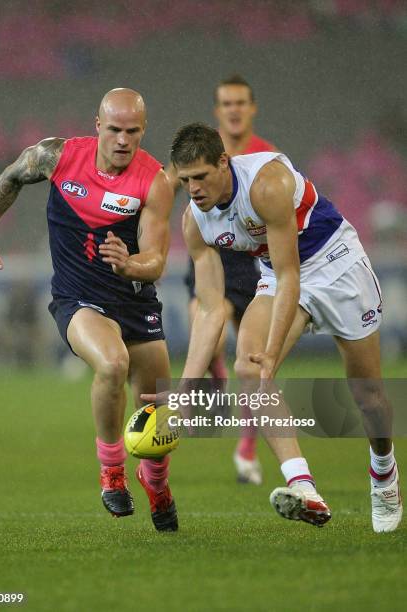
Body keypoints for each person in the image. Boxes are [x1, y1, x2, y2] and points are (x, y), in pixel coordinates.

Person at [168, 122, 402, 532]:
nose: (194, 189)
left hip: (336, 264)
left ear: (223, 162)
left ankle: (383, 471)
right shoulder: (194, 222)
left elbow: (291, 272)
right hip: (278, 275)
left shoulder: (266, 184)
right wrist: (184, 390)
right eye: (186, 180)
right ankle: (303, 486)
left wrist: (274, 352)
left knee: (368, 396)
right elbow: (208, 310)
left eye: (201, 177)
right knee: (249, 367)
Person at [0, 88, 178, 532]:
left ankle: (156, 482)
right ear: (98, 124)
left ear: (144, 131)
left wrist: (130, 264)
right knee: (112, 362)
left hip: (135, 300)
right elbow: (10, 179)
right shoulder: (56, 157)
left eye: (134, 132)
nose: (124, 140)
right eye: (116, 130)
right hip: (79, 300)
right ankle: (112, 470)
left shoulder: (154, 181)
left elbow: (157, 260)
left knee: (158, 410)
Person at [167, 75, 276, 485]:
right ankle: (213, 382)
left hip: (254, 261)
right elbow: (166, 193)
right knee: (203, 321)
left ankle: (246, 449)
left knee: (252, 358)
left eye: (240, 102)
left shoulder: (267, 158)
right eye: (226, 103)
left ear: (252, 108)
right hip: (212, 254)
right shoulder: (198, 154)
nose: (233, 109)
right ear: (218, 111)